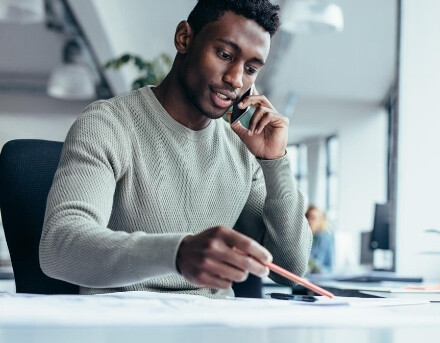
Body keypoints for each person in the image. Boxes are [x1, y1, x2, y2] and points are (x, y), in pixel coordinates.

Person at [39, 0, 311, 298]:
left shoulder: (240, 144)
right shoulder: (109, 124)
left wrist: (274, 162)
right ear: (184, 37)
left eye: (250, 68)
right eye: (224, 54)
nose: (235, 79)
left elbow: (290, 270)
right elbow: (59, 247)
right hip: (126, 329)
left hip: (216, 331)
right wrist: (176, 253)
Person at [305, 205, 334, 273]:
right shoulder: (306, 237)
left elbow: (318, 264)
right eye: (307, 217)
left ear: (321, 221)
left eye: (313, 218)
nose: (309, 220)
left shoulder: (325, 239)